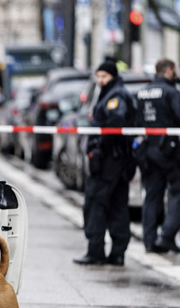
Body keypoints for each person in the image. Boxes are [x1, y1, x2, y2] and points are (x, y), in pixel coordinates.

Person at [73, 60, 135, 266]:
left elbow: (115, 122)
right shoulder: (113, 93)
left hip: (110, 160)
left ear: (113, 76)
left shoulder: (115, 96)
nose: (100, 80)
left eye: (104, 76)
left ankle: (96, 251)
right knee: (117, 204)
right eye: (98, 76)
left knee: (95, 202)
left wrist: (99, 148)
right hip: (117, 160)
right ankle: (117, 253)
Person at [135, 58, 180, 253]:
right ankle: (167, 236)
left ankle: (149, 240)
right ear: (169, 71)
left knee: (152, 195)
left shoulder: (143, 92)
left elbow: (136, 121)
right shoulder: (171, 92)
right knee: (177, 192)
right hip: (169, 151)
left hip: (147, 151)